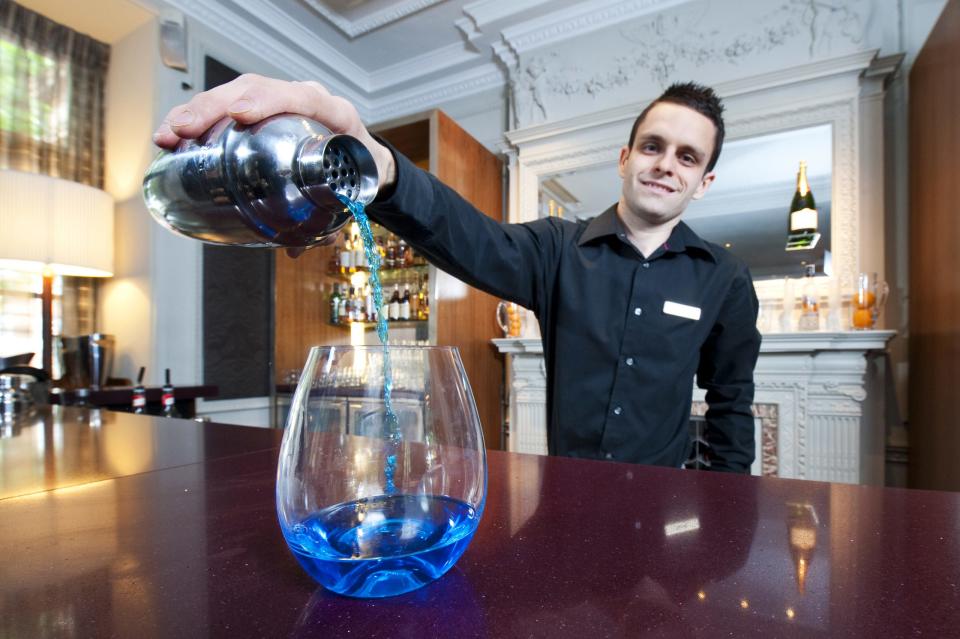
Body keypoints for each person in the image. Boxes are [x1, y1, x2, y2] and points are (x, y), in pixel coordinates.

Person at [154, 75, 761, 473]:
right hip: (568, 494)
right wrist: (382, 165)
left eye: (688, 157)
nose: (665, 165)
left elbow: (731, 406)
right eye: (652, 146)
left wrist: (725, 509)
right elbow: (468, 235)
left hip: (666, 507)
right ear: (626, 157)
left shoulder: (724, 279)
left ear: (704, 182)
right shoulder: (558, 250)